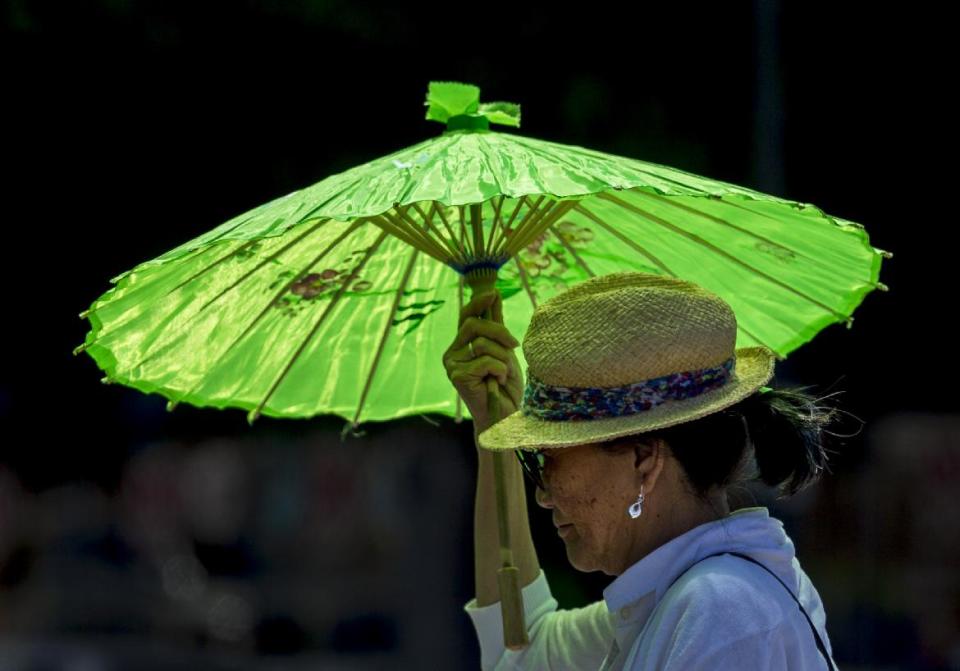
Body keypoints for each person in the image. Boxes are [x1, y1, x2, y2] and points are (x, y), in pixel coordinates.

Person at [443, 271, 845, 670]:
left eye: (550, 457)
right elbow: (522, 656)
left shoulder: (718, 611)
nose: (543, 494)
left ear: (643, 460)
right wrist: (490, 419)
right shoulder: (684, 599)